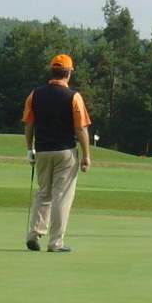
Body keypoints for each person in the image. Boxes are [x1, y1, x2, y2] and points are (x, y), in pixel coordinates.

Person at [22, 54, 92, 252]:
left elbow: (29, 124)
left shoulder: (35, 94)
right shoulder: (73, 97)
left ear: (52, 71)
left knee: (43, 192)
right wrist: (86, 155)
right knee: (61, 196)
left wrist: (29, 148)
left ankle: (34, 233)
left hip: (42, 150)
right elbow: (80, 129)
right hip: (65, 152)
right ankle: (55, 242)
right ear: (68, 73)